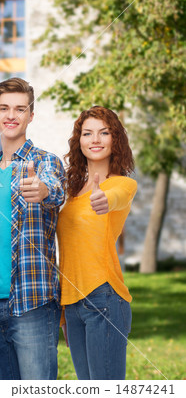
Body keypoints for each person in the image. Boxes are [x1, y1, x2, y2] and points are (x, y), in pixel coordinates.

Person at [0, 77, 66, 380]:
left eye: (19, 109)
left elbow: (54, 190)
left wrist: (40, 190)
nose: (11, 115)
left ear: (31, 115)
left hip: (32, 302)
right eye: (4, 108)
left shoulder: (45, 163)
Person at [57, 105, 137, 380]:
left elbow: (117, 198)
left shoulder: (122, 185)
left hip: (104, 297)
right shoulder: (72, 190)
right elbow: (68, 251)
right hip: (73, 303)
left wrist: (104, 199)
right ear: (79, 141)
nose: (95, 139)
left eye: (104, 132)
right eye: (88, 133)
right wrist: (65, 313)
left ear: (115, 139)